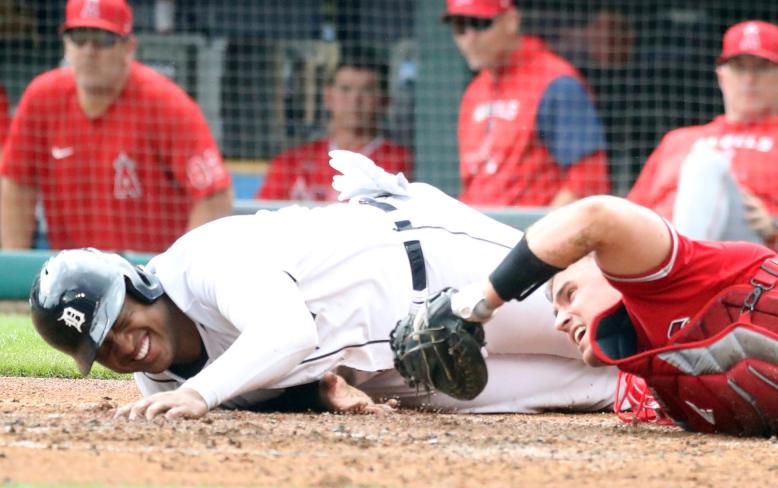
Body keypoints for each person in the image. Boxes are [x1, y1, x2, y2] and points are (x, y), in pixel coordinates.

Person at [29, 150, 619, 421]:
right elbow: (267, 385)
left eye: (120, 320)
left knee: (607, 325)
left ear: (139, 286)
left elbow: (286, 331)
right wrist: (318, 396)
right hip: (401, 368)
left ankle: (706, 312)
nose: (123, 345)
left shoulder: (203, 262)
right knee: (602, 387)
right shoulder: (155, 379)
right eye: (101, 346)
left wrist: (200, 396)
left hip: (433, 266)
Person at [439, 194, 778, 439]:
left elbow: (594, 217)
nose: (560, 319)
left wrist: (480, 303)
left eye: (569, 292)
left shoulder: (668, 279)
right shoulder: (672, 386)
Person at [0, 0, 233, 253]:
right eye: (79, 37)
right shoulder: (42, 98)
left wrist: (181, 275)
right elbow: (17, 182)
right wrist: (18, 263)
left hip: (149, 277)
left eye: (103, 39)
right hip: (74, 278)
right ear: (66, 45)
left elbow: (214, 196)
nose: (89, 50)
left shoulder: (166, 104)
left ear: (128, 47)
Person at [626, 21, 778, 258]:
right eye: (739, 67)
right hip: (658, 261)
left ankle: (682, 275)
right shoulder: (677, 140)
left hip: (751, 272)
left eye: (762, 67)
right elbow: (630, 216)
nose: (749, 79)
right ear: (721, 76)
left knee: (704, 164)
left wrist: (777, 229)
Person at [443, 0, 610, 207]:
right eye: (459, 27)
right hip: (480, 233)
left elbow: (588, 181)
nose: (469, 38)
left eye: (479, 24)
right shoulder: (474, 92)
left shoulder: (555, 82)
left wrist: (538, 236)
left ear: (511, 21)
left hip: (534, 233)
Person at [256, 49, 411, 202]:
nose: (355, 99)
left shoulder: (402, 162)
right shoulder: (291, 162)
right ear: (328, 97)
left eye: (367, 90)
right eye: (345, 89)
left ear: (385, 101)